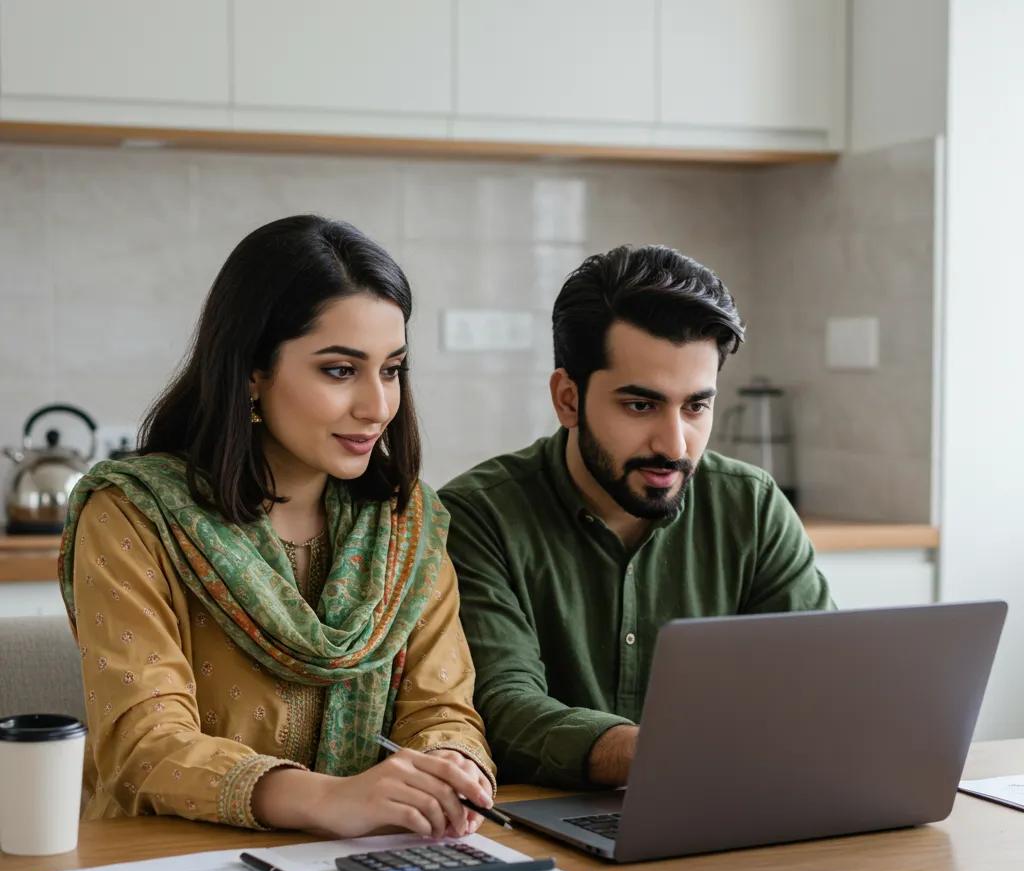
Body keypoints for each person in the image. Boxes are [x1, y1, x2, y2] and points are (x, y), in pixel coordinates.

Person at [61, 215, 495, 838]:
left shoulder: (406, 526)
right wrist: (331, 800)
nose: (378, 407)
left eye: (392, 369)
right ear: (251, 375)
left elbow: (441, 708)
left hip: (375, 861)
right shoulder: (134, 515)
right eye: (340, 370)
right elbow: (144, 745)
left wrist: (451, 764)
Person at [440, 245, 833, 789]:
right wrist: (652, 751)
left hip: (731, 806)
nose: (674, 444)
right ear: (568, 399)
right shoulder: (478, 516)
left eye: (696, 406)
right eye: (641, 406)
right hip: (542, 828)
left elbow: (816, 678)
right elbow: (502, 707)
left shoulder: (753, 505)